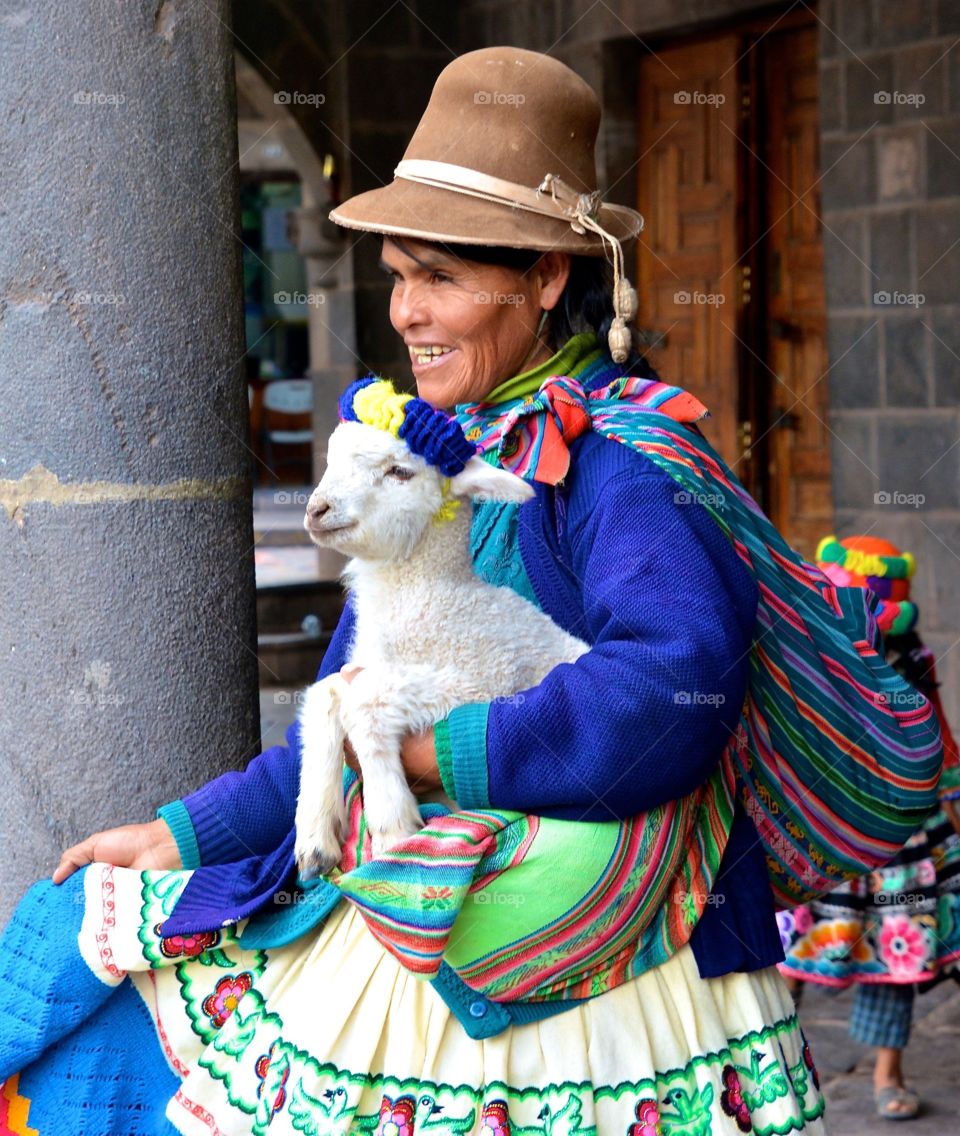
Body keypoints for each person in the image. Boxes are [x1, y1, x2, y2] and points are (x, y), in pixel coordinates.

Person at [0, 47, 830, 1135]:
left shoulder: (617, 469)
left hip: (596, 968)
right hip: (442, 906)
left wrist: (433, 750)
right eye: (397, 275)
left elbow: (673, 690)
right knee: (81, 948)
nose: (406, 311)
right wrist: (182, 834)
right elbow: (356, 692)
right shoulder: (436, 470)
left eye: (438, 276)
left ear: (543, 279)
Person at [778, 535, 960, 1122]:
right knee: (791, 944)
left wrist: (952, 800)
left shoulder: (912, 660)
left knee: (895, 947)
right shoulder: (806, 656)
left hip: (903, 830)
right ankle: (774, 1064)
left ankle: (887, 1072)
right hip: (824, 825)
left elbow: (939, 737)